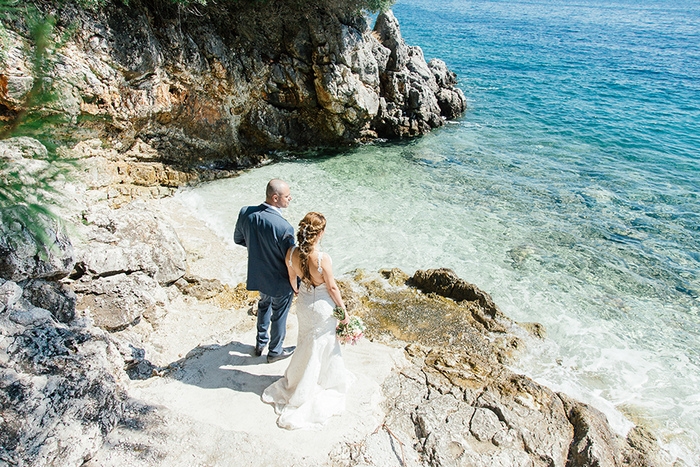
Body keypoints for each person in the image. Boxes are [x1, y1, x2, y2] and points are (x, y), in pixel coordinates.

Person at [262, 212, 355, 430]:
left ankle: (298, 380)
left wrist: (297, 290)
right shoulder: (322, 259)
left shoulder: (291, 252)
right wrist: (344, 312)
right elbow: (332, 288)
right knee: (323, 345)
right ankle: (319, 382)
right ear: (320, 233)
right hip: (322, 308)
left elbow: (291, 277)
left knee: (305, 342)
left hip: (303, 305)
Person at [234, 179, 296, 363]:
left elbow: (238, 239)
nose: (290, 198)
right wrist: (297, 283)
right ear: (275, 198)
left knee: (264, 304)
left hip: (258, 274)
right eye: (287, 196)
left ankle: (260, 343)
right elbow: (290, 260)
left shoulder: (246, 212)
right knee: (279, 313)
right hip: (279, 279)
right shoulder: (284, 227)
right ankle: (275, 351)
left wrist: (258, 250)